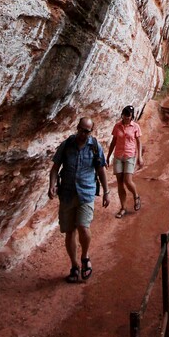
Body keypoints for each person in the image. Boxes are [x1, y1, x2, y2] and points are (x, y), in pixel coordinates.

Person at [48, 116, 110, 282]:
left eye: (87, 131)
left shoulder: (94, 147)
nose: (83, 133)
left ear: (91, 131)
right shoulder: (67, 145)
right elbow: (55, 167)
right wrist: (52, 185)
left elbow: (101, 170)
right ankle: (74, 266)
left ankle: (85, 257)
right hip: (67, 193)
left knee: (83, 226)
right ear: (77, 128)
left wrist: (106, 191)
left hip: (86, 193)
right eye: (81, 130)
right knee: (69, 231)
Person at [107, 104, 143, 217]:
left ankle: (136, 196)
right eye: (125, 115)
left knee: (128, 180)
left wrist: (140, 157)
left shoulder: (135, 127)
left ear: (132, 116)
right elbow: (113, 141)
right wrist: (108, 156)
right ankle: (123, 208)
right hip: (118, 156)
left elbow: (139, 142)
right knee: (120, 183)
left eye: (129, 115)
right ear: (122, 115)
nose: (127, 117)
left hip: (130, 155)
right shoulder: (117, 126)